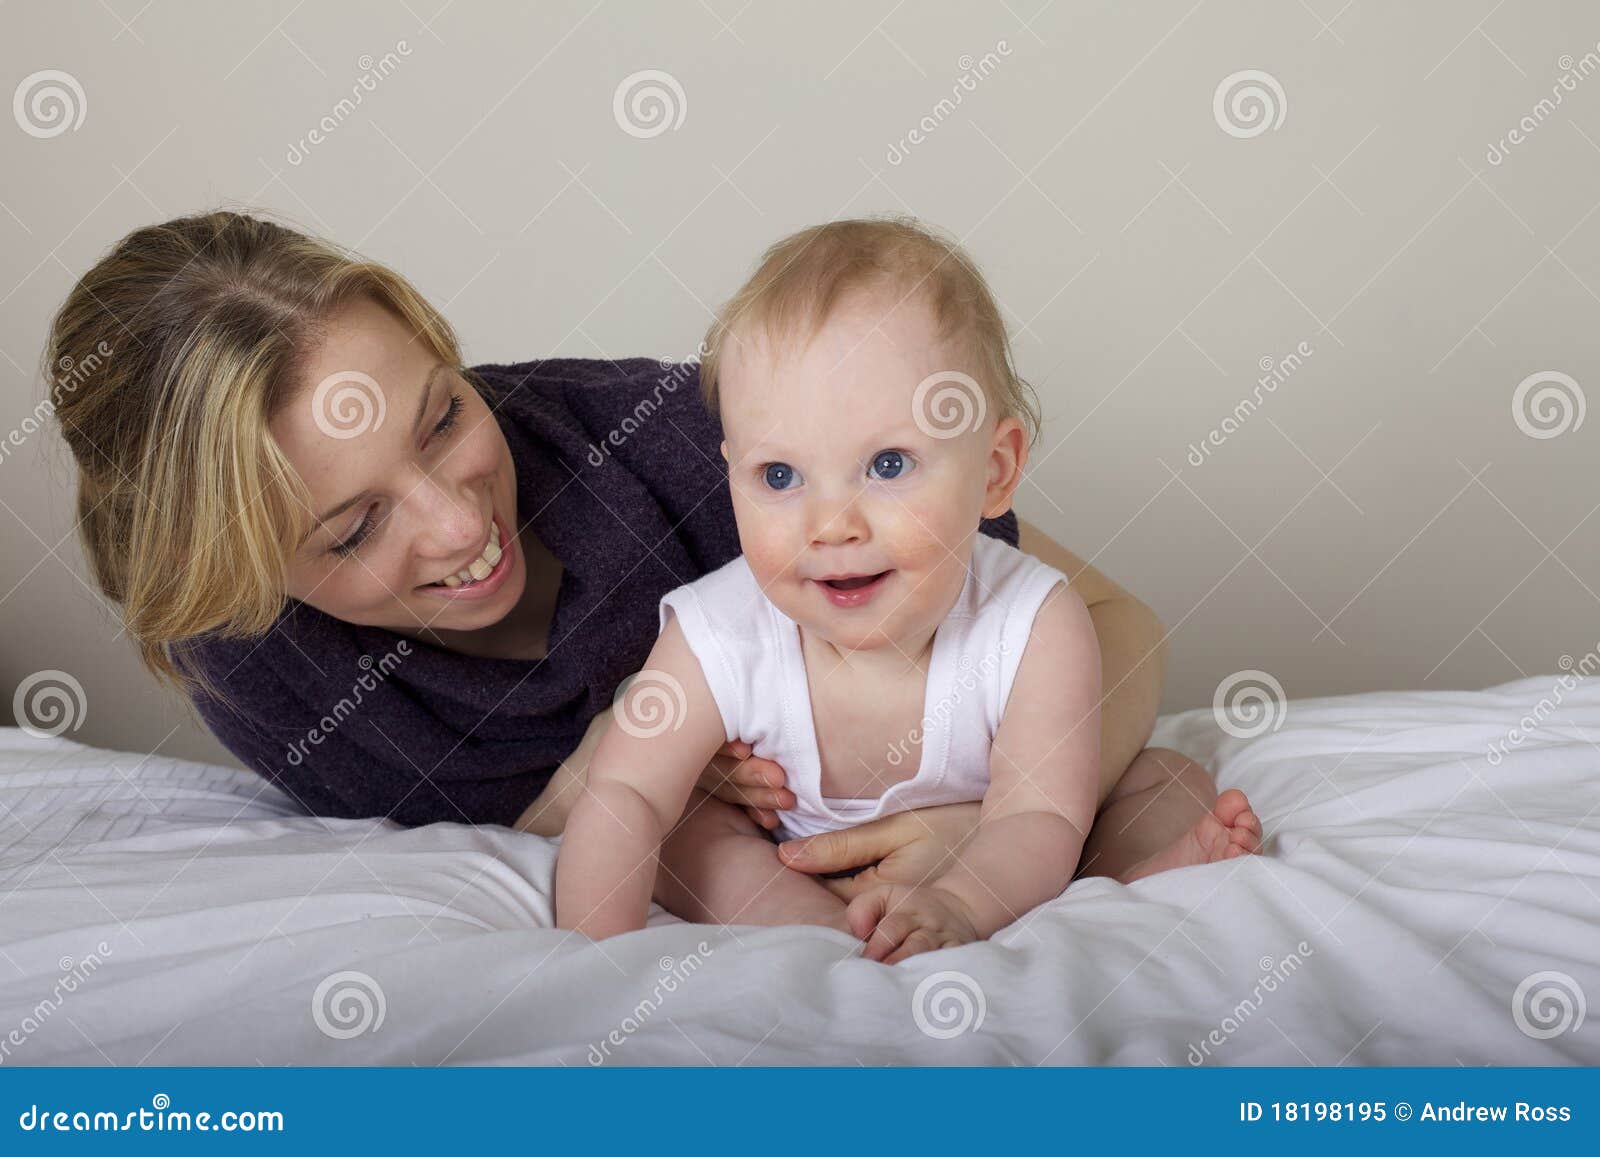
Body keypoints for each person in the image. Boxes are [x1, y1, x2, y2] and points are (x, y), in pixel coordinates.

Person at [44, 208, 1243, 909]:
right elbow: (563, 826)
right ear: (232, 574)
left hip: (977, 807)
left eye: (447, 418)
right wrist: (625, 786)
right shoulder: (263, 669)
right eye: (352, 530)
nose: (460, 526)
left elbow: (1106, 619)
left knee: (1153, 804)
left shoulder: (673, 444)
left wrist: (992, 823)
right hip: (764, 864)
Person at [555, 219, 1260, 960]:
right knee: (675, 828)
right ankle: (818, 926)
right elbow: (624, 791)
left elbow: (1038, 815)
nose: (831, 525)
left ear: (994, 470)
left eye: (888, 465)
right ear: (730, 472)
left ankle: (1133, 882)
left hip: (993, 859)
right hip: (787, 858)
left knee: (1165, 781)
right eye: (780, 477)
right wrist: (589, 958)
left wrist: (958, 902)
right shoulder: (715, 633)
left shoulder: (1033, 620)